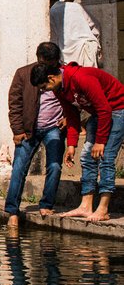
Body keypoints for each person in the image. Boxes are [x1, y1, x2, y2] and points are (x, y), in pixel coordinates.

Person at [33, 60, 124, 222]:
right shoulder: (59, 89)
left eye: (43, 87)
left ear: (51, 78)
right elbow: (71, 115)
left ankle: (103, 208)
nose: (44, 91)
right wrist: (72, 145)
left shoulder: (82, 78)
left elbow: (105, 109)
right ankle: (86, 206)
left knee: (106, 157)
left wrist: (100, 141)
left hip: (117, 110)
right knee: (86, 157)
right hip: (99, 114)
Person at [5, 42, 66, 232]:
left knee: (55, 166)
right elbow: (14, 103)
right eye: (45, 62)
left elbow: (75, 98)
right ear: (39, 59)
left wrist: (69, 118)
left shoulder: (62, 74)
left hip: (54, 128)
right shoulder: (23, 73)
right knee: (19, 169)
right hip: (28, 130)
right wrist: (17, 130)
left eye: (52, 62)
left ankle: (46, 204)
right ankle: (12, 211)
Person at [50, 0, 101, 68]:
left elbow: (54, 39)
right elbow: (95, 25)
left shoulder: (52, 12)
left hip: (67, 58)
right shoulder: (76, 6)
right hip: (87, 50)